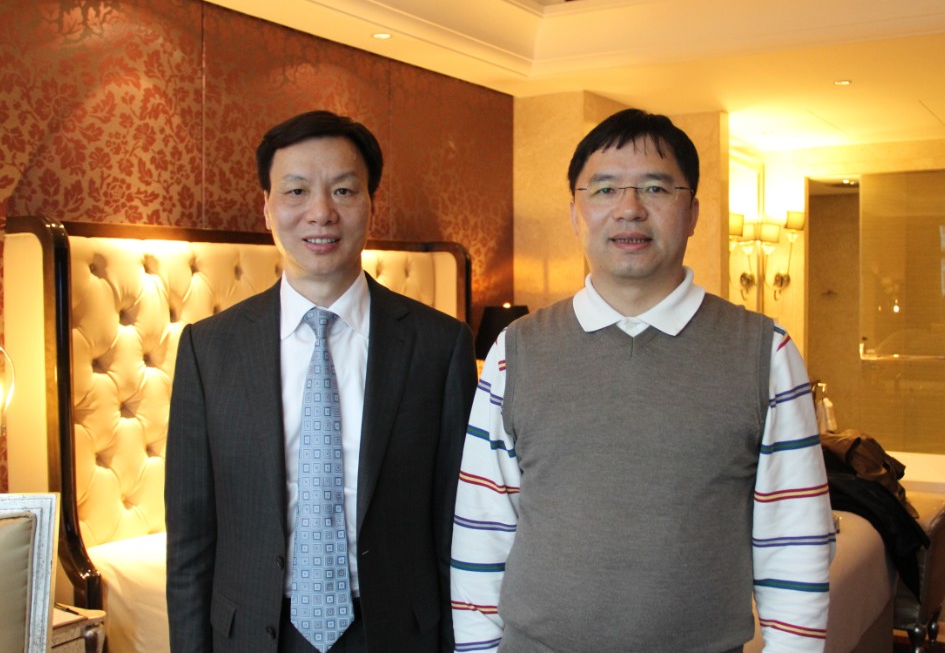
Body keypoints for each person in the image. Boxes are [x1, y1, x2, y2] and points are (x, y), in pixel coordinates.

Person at [450, 108, 835, 653]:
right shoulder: (515, 351)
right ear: (575, 212)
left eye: (655, 187)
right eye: (604, 189)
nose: (629, 209)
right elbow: (481, 531)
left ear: (693, 211)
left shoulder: (764, 352)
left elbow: (795, 541)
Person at [166, 109, 477, 653]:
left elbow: (459, 526)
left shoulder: (439, 346)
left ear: (370, 204)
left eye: (343, 191)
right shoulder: (208, 349)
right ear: (267, 208)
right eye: (296, 191)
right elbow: (190, 538)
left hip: (397, 634)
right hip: (253, 634)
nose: (321, 213)